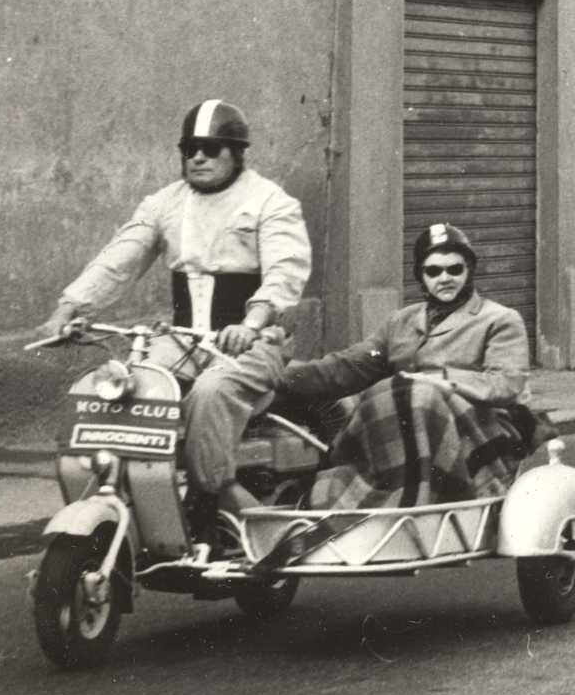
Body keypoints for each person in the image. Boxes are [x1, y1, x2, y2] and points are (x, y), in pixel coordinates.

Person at [36, 99, 312, 539]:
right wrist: (69, 309)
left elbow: (284, 273)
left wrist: (252, 323)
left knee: (210, 392)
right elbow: (119, 258)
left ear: (236, 153)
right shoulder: (165, 202)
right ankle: (127, 494)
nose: (197, 157)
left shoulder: (270, 202)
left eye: (210, 148)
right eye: (189, 149)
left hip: (254, 341)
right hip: (183, 339)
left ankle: (219, 492)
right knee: (128, 386)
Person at [279, 222, 538, 509]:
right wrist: (276, 377)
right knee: (393, 397)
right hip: (408, 431)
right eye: (433, 271)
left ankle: (415, 499)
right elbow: (349, 367)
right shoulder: (401, 322)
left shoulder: (500, 319)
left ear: (469, 271)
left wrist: (441, 381)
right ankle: (374, 502)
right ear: (421, 276)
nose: (445, 278)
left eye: (455, 269)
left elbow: (506, 384)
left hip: (478, 431)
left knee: (417, 395)